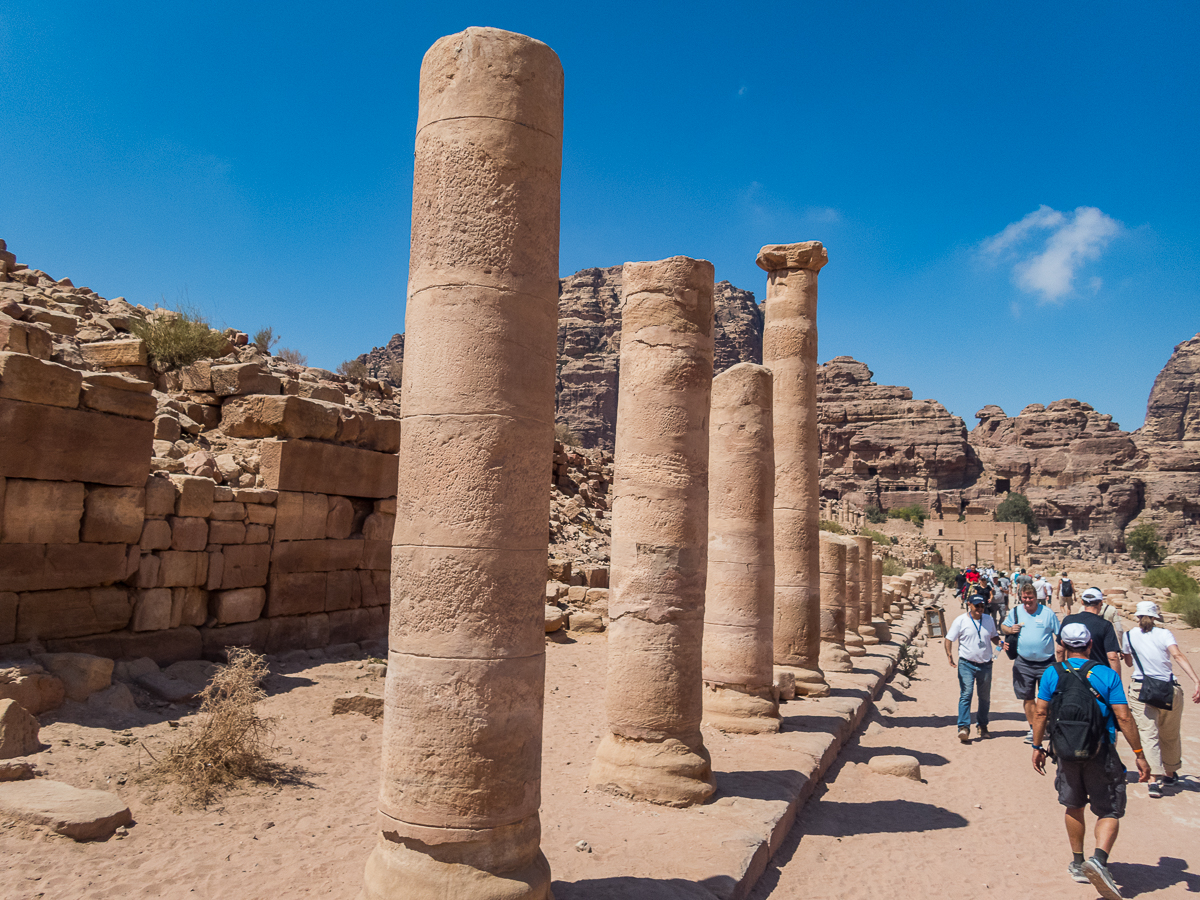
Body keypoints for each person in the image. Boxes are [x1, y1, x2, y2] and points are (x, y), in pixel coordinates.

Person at [1032, 622, 1151, 898]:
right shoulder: (1106, 675)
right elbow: (1123, 716)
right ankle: (1098, 859)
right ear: (1089, 645)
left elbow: (1040, 713)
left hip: (1065, 750)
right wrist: (1139, 755)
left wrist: (1037, 746)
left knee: (1073, 804)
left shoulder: (1052, 674)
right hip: (1101, 749)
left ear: (1063, 646)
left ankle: (1077, 861)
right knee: (1109, 809)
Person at [1121, 601, 1200, 799]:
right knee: (1170, 732)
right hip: (1168, 687)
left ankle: (1154, 780)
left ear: (1138, 616)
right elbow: (1177, 655)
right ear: (1156, 616)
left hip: (1142, 688)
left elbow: (1129, 661)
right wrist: (1196, 680)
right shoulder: (1165, 634)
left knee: (1149, 733)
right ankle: (1171, 773)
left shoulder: (1129, 635)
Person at [1003, 583, 1063, 742]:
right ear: (1020, 597)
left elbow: (1060, 635)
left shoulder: (1048, 613)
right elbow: (1004, 627)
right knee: (1028, 697)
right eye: (1024, 597)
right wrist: (1010, 630)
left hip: (1047, 663)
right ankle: (1033, 728)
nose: (1027, 600)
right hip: (1023, 663)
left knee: (1047, 698)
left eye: (1030, 597)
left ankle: (1045, 726)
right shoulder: (1016, 612)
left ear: (1036, 597)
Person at [944, 594, 1000, 742]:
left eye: (982, 606)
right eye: (977, 606)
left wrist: (1000, 643)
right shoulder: (960, 621)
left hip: (985, 664)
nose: (980, 609)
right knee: (966, 694)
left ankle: (982, 725)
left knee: (984, 697)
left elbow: (993, 636)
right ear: (969, 605)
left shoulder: (988, 619)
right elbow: (949, 638)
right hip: (966, 664)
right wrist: (949, 655)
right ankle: (963, 727)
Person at [1060, 587, 1122, 678]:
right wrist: (1117, 682)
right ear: (1101, 603)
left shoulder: (1068, 620)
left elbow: (1059, 650)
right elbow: (1112, 657)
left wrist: (1061, 671)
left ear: (1082, 602)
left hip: (1073, 673)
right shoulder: (1106, 625)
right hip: (1099, 674)